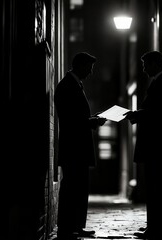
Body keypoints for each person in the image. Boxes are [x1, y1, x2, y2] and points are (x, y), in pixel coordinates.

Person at [124, 51, 162, 240]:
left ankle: (159, 229)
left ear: (155, 63)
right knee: (154, 188)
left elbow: (158, 114)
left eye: (146, 64)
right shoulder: (159, 83)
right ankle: (154, 227)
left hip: (156, 145)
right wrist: (138, 114)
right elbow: (153, 111)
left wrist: (137, 114)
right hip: (155, 145)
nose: (144, 69)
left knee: (158, 188)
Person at [54, 52, 107, 240]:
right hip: (73, 148)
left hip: (77, 147)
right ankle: (67, 227)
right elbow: (70, 120)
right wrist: (91, 122)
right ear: (81, 66)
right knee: (71, 187)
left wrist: (91, 119)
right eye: (90, 68)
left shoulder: (73, 84)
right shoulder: (67, 86)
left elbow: (76, 117)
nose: (91, 72)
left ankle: (76, 225)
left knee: (79, 187)